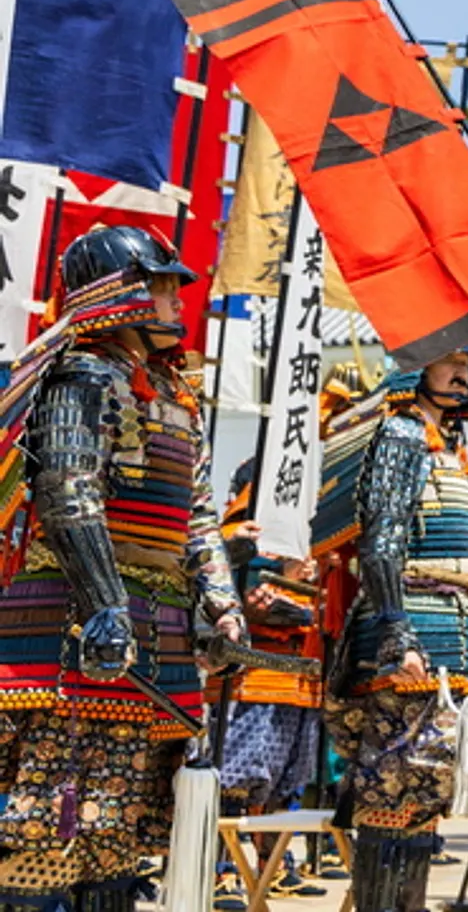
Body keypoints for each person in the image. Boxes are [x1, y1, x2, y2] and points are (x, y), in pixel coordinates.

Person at [0, 226, 246, 911]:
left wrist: (224, 606)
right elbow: (68, 492)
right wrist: (104, 601)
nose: (176, 299)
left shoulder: (176, 395)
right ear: (122, 294)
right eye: (161, 284)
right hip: (69, 623)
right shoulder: (81, 374)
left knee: (120, 826)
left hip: (155, 627)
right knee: (52, 818)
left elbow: (197, 515)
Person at [321, 348, 468, 912]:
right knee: (392, 789)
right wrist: (397, 631)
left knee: (426, 794)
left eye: (467, 365)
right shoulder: (400, 435)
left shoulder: (449, 445)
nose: (461, 374)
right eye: (448, 362)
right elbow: (382, 543)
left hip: (454, 634)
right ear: (414, 371)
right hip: (413, 634)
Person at [211, 459, 326, 908]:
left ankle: (273, 867)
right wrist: (304, 603)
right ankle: (224, 873)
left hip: (299, 679)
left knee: (287, 784)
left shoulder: (307, 523)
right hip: (254, 677)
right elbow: (253, 598)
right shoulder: (244, 524)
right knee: (239, 781)